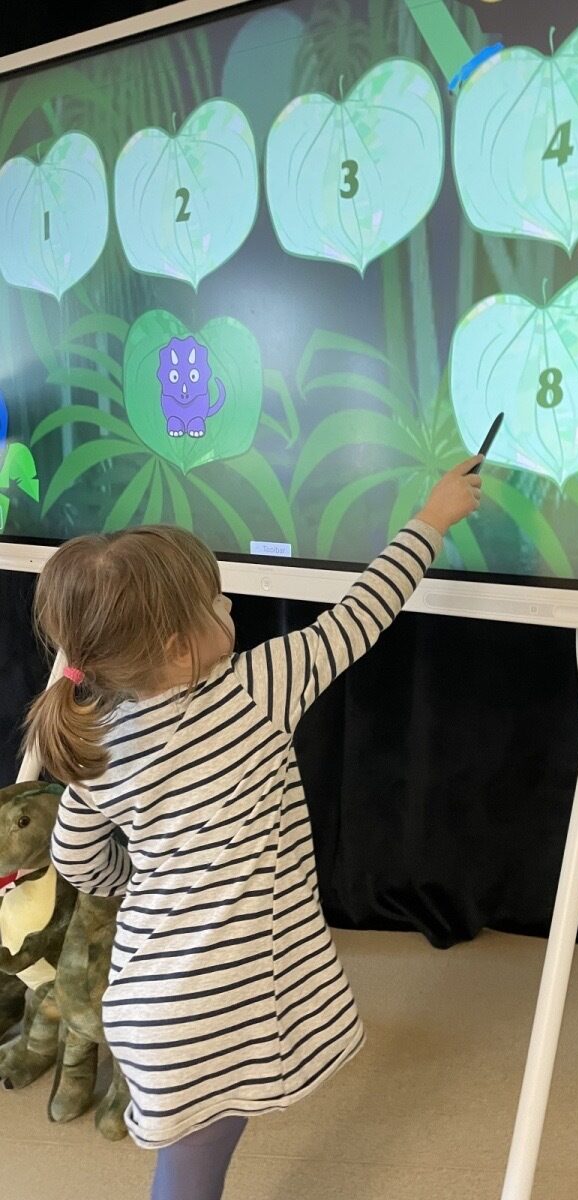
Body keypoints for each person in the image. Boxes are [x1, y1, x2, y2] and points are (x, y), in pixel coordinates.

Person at [23, 458, 483, 1200]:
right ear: (176, 645)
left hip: (148, 1003)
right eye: (216, 600)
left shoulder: (96, 739)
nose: (230, 603)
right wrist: (432, 518)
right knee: (191, 1175)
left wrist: (138, 878)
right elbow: (364, 612)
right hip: (214, 1010)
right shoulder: (258, 685)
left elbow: (74, 856)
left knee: (198, 1155)